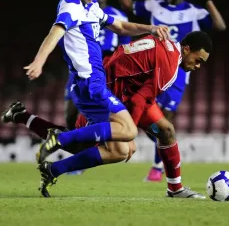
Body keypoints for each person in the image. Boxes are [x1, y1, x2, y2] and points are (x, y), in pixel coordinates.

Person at [22, 0, 169, 196]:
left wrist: (150, 28)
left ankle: (53, 169)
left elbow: (120, 26)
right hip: (90, 84)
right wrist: (39, 61)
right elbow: (55, 32)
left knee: (121, 151)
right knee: (130, 131)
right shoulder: (71, 6)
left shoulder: (90, 8)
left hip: (92, 84)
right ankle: (59, 138)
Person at [3, 31, 212, 199]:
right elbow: (140, 100)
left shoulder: (167, 51)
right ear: (186, 49)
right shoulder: (169, 66)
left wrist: (128, 132)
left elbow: (141, 97)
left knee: (166, 130)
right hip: (105, 90)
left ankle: (175, 189)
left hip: (126, 92)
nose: (198, 66)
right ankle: (30, 124)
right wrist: (128, 135)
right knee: (97, 146)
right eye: (198, 59)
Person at [110, 0, 226, 181]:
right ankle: (147, 149)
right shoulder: (154, 5)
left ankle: (157, 166)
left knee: (165, 117)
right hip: (153, 66)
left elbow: (219, 25)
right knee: (149, 112)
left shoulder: (193, 11)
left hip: (179, 71)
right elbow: (127, 4)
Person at [64, 0, 131, 130]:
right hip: (79, 66)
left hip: (104, 67)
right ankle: (76, 144)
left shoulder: (118, 16)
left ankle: (99, 146)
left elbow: (125, 47)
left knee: (102, 113)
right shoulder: (77, 11)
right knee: (69, 114)